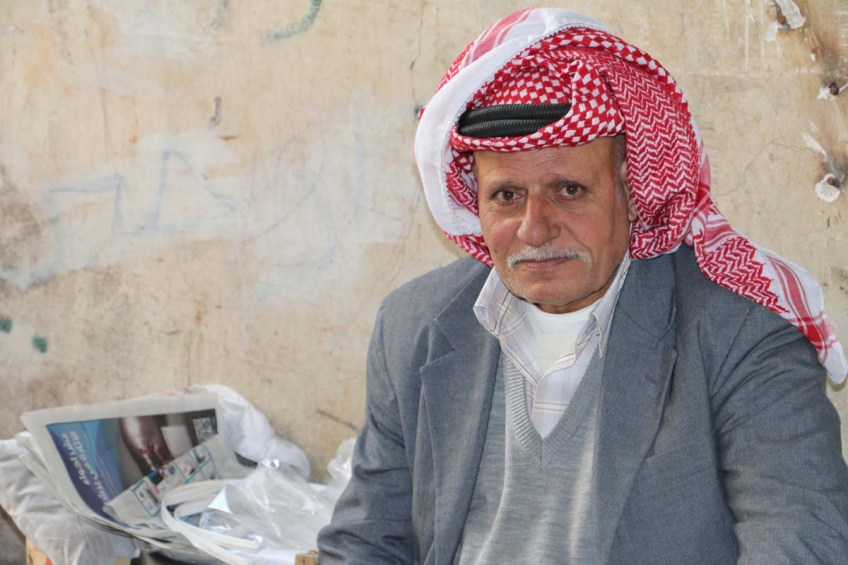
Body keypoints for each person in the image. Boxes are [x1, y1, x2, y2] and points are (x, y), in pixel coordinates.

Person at [317, 8, 848, 564]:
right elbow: (366, 542)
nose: (535, 227)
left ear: (630, 188)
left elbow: (804, 541)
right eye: (506, 196)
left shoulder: (742, 333)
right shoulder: (415, 326)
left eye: (568, 190)